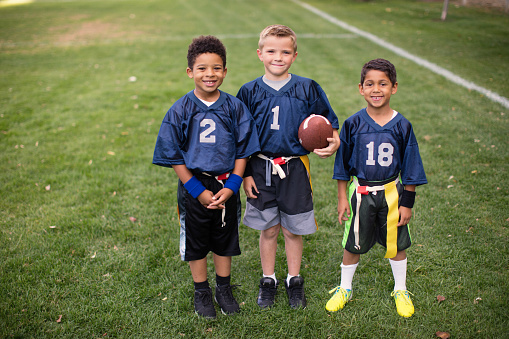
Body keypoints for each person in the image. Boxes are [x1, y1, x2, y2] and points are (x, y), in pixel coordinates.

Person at [152, 35, 260, 319]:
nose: (209, 74)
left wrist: (234, 184)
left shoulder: (235, 107)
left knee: (225, 238)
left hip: (227, 184)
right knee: (197, 241)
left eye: (216, 68)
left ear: (225, 71)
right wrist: (196, 189)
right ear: (190, 72)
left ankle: (223, 289)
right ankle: (201, 290)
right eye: (202, 68)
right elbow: (174, 155)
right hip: (194, 186)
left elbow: (243, 150)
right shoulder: (180, 110)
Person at [236, 24, 340, 309]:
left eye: (285, 52)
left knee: (293, 230)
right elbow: (240, 137)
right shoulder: (248, 91)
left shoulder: (308, 87)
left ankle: (294, 280)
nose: (277, 57)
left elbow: (329, 124)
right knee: (268, 229)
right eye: (271, 51)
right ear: (260, 54)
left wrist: (334, 141)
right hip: (260, 168)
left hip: (295, 168)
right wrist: (244, 174)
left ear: (295, 55)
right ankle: (268, 279)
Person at [326, 58, 427, 318]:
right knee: (353, 244)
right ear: (360, 88)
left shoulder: (402, 125)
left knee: (397, 244)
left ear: (394, 87)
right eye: (370, 84)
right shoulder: (352, 124)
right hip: (361, 193)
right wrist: (341, 198)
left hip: (393, 193)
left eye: (383, 83)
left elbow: (412, 168)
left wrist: (407, 203)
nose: (376, 89)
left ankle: (401, 289)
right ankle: (345, 288)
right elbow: (342, 167)